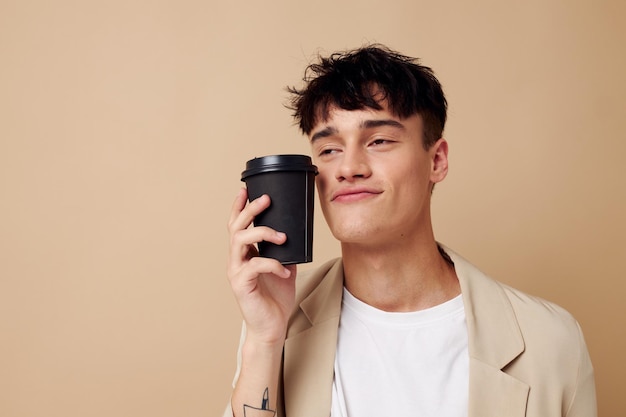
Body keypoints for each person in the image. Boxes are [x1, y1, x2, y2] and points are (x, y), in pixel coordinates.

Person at [223, 44, 597, 417]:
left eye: (379, 141)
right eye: (329, 149)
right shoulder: (276, 323)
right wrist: (264, 340)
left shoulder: (550, 341)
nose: (348, 168)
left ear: (436, 160)